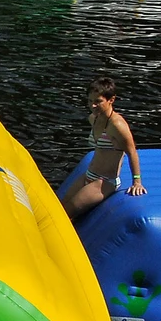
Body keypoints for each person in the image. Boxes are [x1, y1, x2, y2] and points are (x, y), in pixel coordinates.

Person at [61, 77, 146, 220]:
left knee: (67, 214)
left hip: (105, 181)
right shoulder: (93, 118)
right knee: (60, 207)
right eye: (89, 101)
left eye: (97, 101)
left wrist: (137, 182)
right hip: (89, 174)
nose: (92, 106)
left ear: (111, 100)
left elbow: (132, 152)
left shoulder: (117, 125)